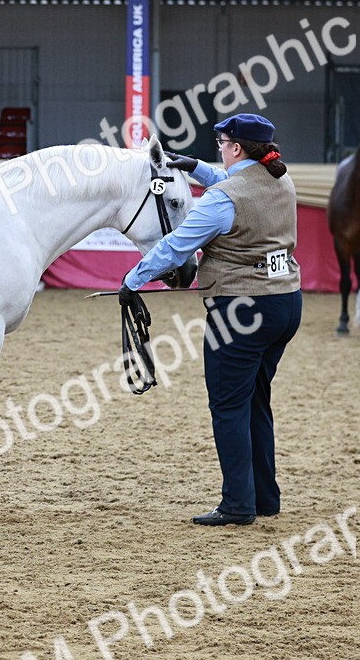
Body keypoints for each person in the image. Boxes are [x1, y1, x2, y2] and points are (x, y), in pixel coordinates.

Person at [120, 114, 302, 526]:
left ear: (236, 147)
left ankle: (238, 503)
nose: (219, 147)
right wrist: (195, 166)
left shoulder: (223, 200)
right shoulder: (279, 179)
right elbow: (236, 180)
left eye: (222, 142)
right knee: (256, 400)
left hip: (241, 308)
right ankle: (264, 497)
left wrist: (132, 280)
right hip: (286, 303)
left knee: (228, 405)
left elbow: (176, 246)